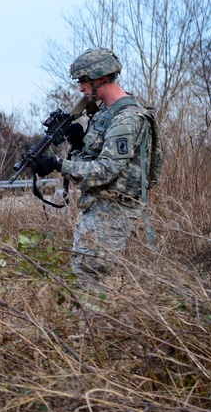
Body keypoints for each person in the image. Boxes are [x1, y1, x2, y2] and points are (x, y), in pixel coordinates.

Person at [32, 47, 162, 292]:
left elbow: (105, 170)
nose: (80, 87)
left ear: (100, 78)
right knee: (81, 277)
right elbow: (96, 158)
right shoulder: (104, 113)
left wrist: (59, 165)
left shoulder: (127, 119)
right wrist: (78, 143)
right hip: (96, 208)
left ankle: (93, 328)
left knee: (88, 282)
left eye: (83, 80)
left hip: (113, 212)